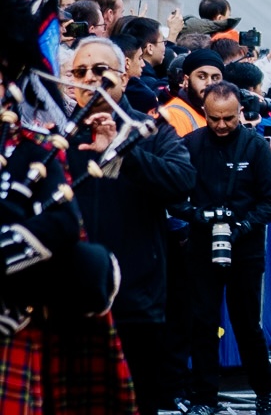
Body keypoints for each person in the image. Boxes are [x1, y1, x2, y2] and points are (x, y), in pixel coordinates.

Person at [67, 35, 196, 415]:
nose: (90, 78)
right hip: (69, 300)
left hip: (135, 300)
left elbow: (182, 181)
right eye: (80, 71)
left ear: (123, 76)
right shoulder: (56, 135)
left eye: (100, 70)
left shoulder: (150, 130)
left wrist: (123, 151)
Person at [181, 82, 271, 415]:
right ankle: (204, 398)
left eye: (228, 118)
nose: (221, 126)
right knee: (202, 323)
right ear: (204, 113)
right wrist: (197, 215)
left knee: (246, 325)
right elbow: (173, 193)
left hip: (245, 248)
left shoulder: (255, 147)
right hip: (201, 244)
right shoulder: (192, 144)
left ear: (241, 112)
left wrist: (242, 227)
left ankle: (266, 393)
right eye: (214, 119)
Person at [162, 47, 222, 136]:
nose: (209, 83)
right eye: (202, 77)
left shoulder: (219, 112)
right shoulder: (173, 115)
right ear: (186, 80)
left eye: (215, 78)